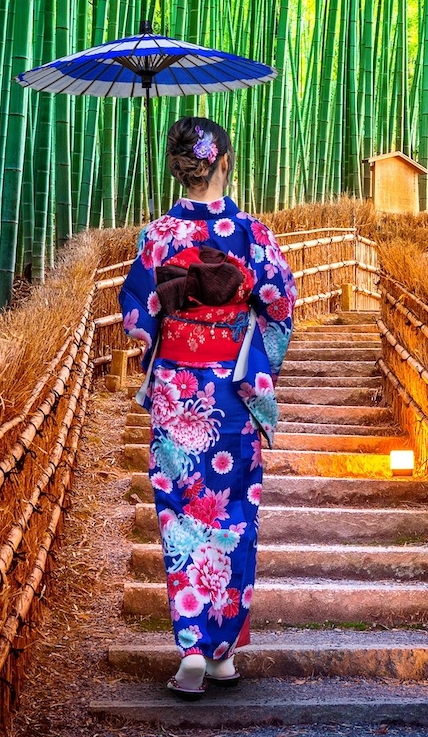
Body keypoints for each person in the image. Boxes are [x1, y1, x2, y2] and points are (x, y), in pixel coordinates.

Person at [119, 117, 296, 700]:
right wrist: (250, 345)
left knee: (181, 513)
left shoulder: (157, 236)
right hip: (232, 392)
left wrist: (166, 328)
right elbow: (280, 303)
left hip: (176, 391)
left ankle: (193, 650)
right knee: (234, 513)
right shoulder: (251, 232)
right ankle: (220, 650)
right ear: (224, 162)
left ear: (181, 167)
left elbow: (138, 318)